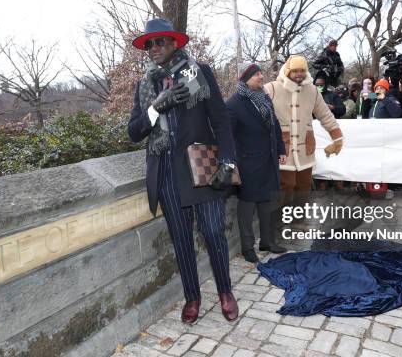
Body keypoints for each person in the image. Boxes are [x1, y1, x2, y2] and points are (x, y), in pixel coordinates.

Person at [127, 18, 238, 323]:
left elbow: (221, 118)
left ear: (174, 43)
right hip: (166, 173)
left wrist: (229, 160)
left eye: (160, 41)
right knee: (181, 238)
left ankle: (225, 291)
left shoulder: (197, 71)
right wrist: (156, 107)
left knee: (214, 232)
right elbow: (134, 132)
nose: (153, 49)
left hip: (201, 165)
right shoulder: (146, 84)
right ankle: (192, 297)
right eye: (149, 44)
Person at [264, 55, 344, 228]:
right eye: (295, 71)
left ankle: (299, 219)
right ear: (287, 71)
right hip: (282, 147)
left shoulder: (313, 91)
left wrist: (337, 137)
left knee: (304, 185)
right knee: (286, 184)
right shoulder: (271, 88)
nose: (299, 74)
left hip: (305, 147)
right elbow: (256, 110)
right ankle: (278, 219)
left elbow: (325, 114)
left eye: (302, 70)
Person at [226, 63, 288, 263]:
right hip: (247, 162)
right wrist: (233, 160)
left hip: (269, 159)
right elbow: (227, 135)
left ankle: (267, 241)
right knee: (247, 205)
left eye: (261, 73)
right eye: (256, 74)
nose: (261, 77)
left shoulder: (264, 98)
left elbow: (274, 125)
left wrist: (280, 149)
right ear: (245, 78)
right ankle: (247, 247)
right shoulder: (234, 103)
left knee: (268, 201)